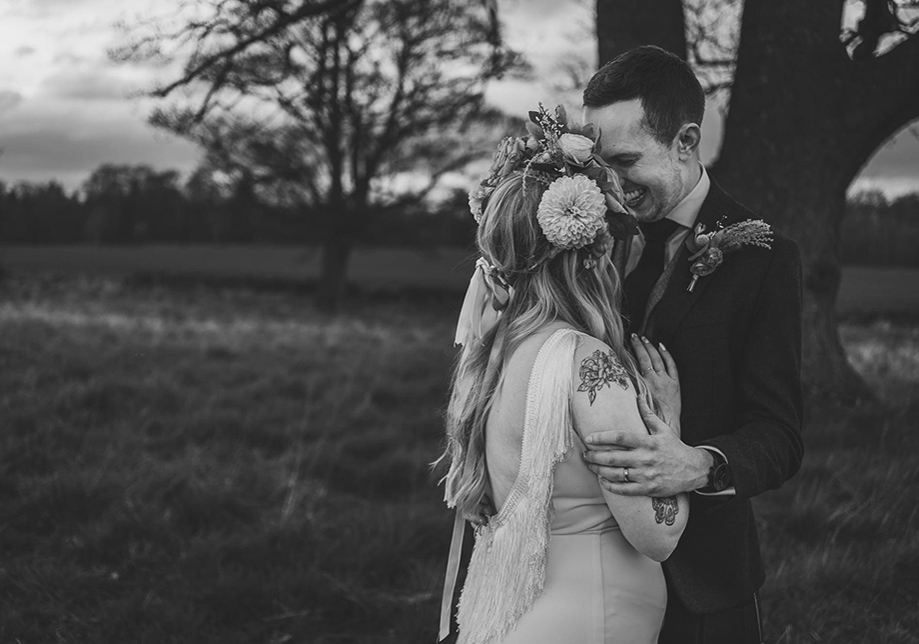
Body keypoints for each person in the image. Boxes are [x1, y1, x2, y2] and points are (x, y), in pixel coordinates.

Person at [436, 106, 690, 644]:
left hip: (527, 614)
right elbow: (657, 535)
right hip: (591, 619)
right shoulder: (587, 363)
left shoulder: (496, 353)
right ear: (587, 254)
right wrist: (669, 425)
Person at [580, 45, 805, 644]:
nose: (612, 186)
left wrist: (699, 464)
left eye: (626, 161)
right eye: (600, 165)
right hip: (587, 570)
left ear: (686, 142)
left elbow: (780, 435)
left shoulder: (765, 261)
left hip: (701, 580)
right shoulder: (583, 244)